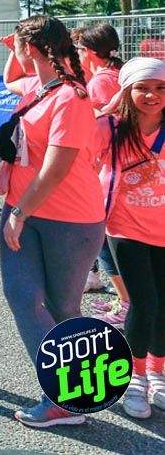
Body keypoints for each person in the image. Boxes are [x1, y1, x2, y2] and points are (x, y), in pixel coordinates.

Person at [0, 15, 104, 428]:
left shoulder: (72, 98)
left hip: (69, 220)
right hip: (29, 212)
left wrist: (19, 213)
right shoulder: (37, 88)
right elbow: (11, 79)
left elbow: (57, 167)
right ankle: (68, 392)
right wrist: (15, 49)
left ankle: (66, 398)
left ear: (35, 49)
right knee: (24, 297)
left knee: (63, 308)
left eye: (22, 47)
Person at [93, 57, 165, 418]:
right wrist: (107, 109)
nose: (151, 95)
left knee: (164, 304)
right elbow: (83, 150)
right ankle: (135, 377)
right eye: (142, 87)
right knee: (144, 302)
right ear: (127, 90)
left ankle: (158, 372)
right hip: (125, 228)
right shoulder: (112, 127)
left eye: (159, 88)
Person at [75, 23, 129, 323]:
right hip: (122, 167)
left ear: (91, 52)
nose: (77, 55)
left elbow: (96, 129)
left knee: (106, 237)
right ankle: (126, 299)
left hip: (109, 169)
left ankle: (126, 302)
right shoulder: (114, 76)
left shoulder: (99, 82)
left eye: (81, 49)